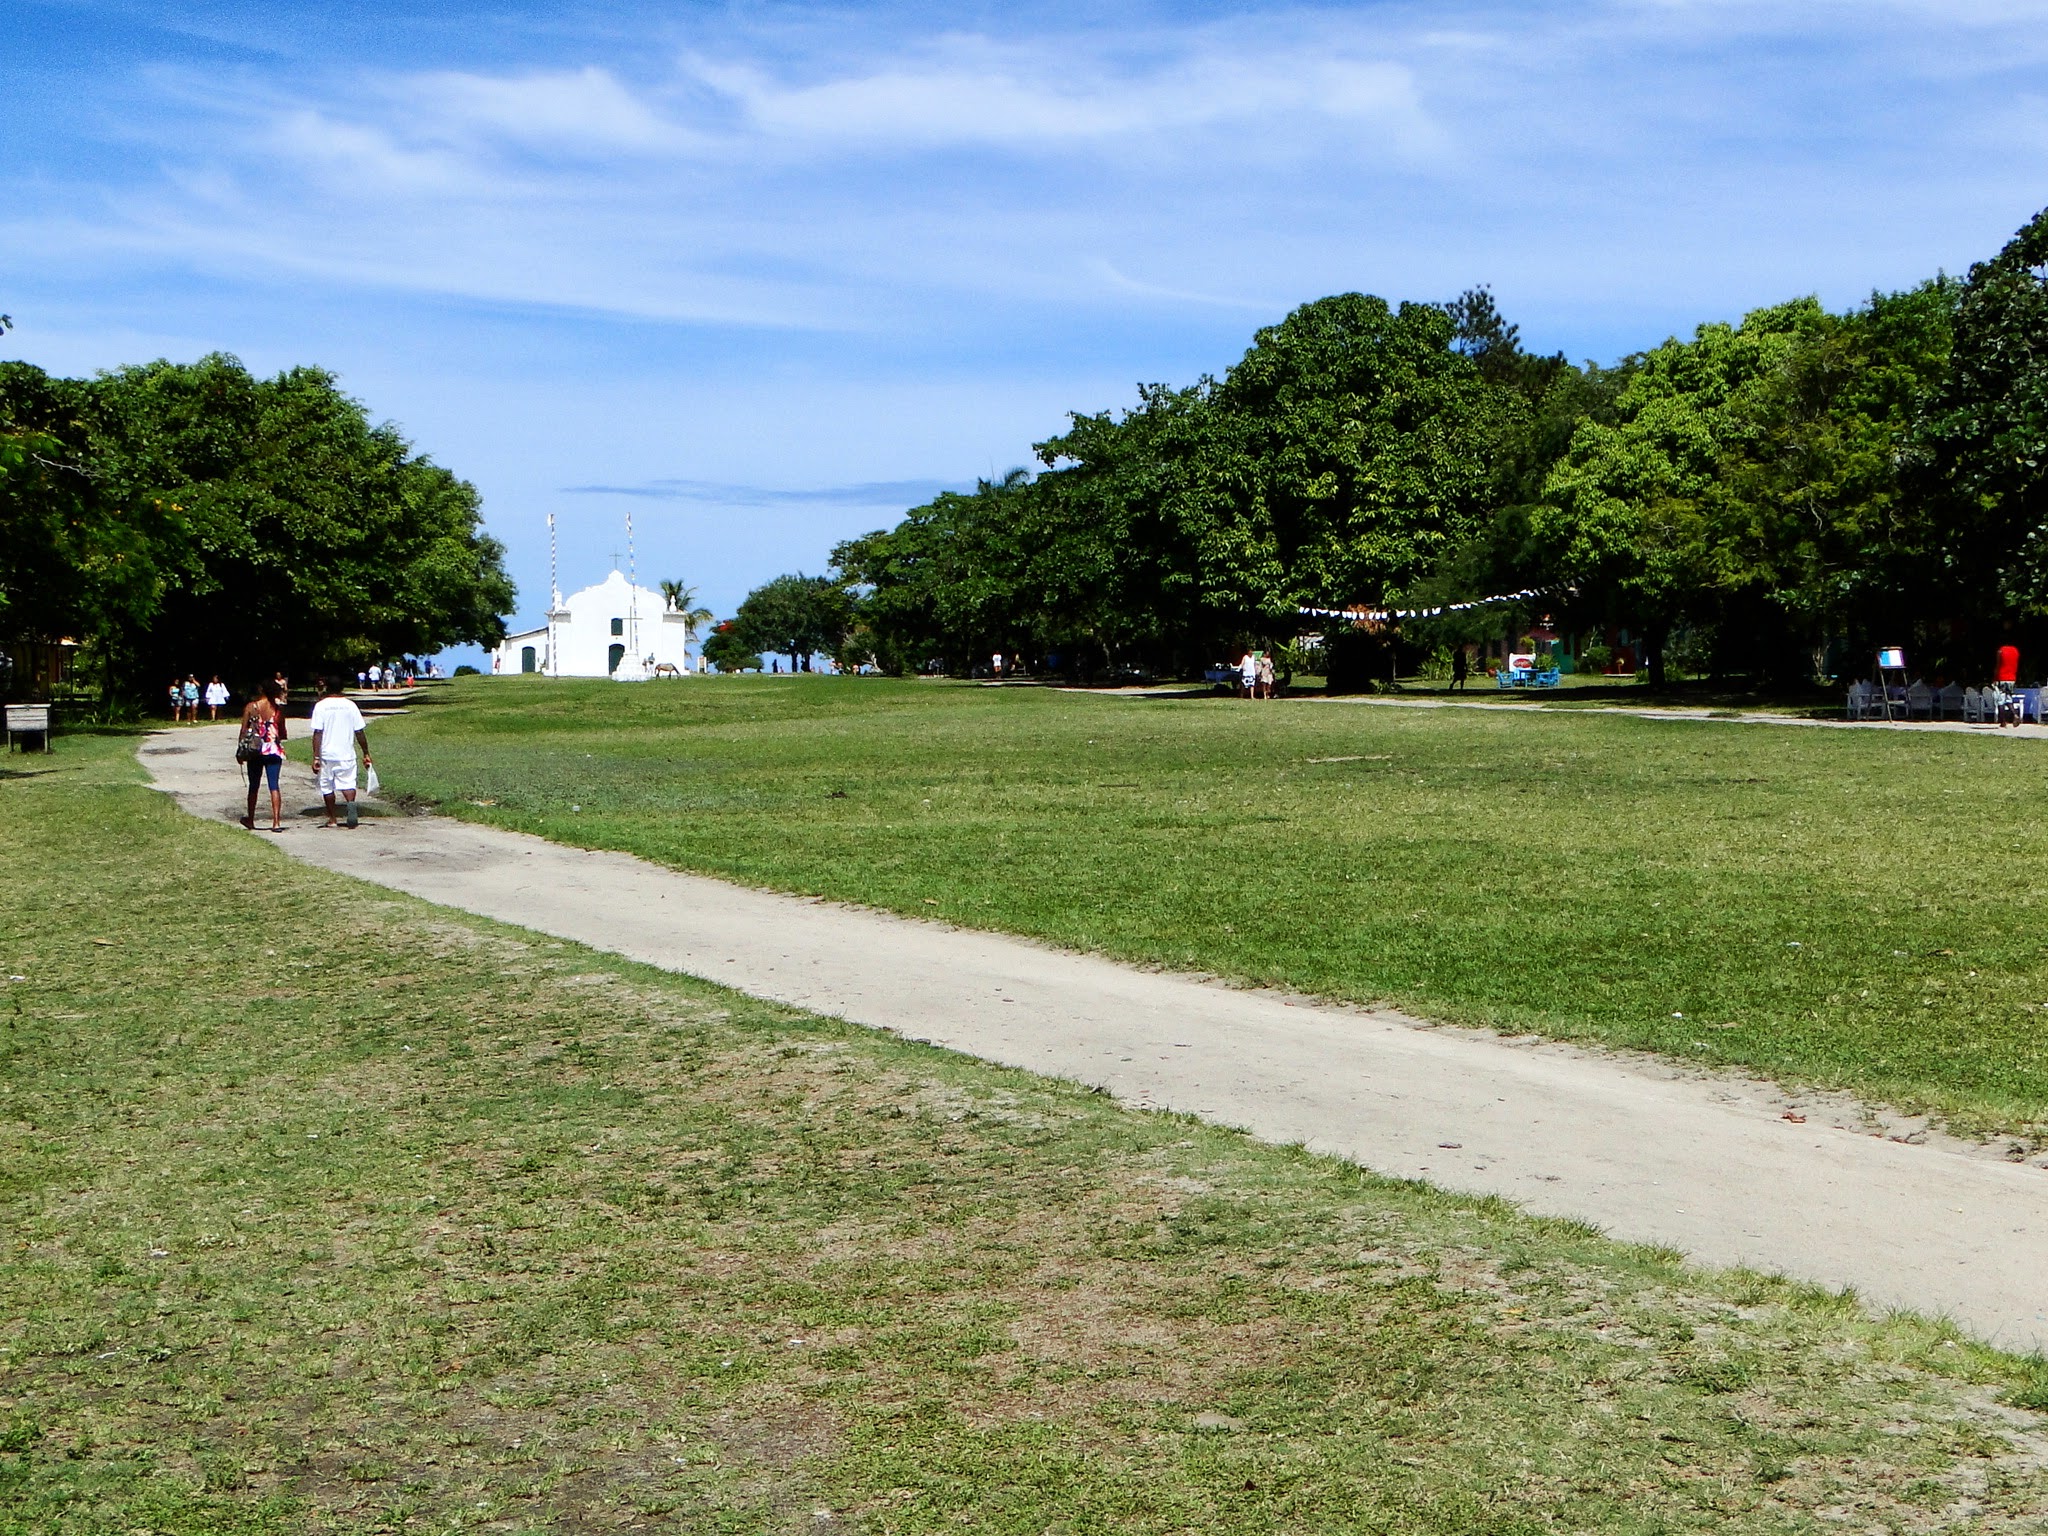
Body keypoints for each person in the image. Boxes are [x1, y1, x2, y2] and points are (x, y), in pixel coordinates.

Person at [309, 675, 372, 829]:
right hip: (346, 753)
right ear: (342, 688)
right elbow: (359, 732)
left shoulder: (321, 706)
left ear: (327, 687)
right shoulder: (350, 706)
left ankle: (332, 819)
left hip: (327, 754)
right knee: (348, 783)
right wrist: (365, 752)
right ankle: (351, 804)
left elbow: (318, 733)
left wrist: (316, 756)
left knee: (327, 786)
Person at [239, 681, 288, 832]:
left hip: (255, 750)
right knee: (274, 785)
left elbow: (243, 730)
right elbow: (283, 732)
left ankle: (251, 819)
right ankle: (276, 822)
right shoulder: (278, 709)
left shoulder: (251, 707)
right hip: (273, 750)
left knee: (254, 786)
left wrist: (240, 751)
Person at [1995, 639, 2021, 727]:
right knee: (2009, 699)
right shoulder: (2015, 651)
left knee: (2000, 701)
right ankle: (2015, 714)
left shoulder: (2001, 650)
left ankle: (2003, 721)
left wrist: (1995, 678)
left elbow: (1998, 665)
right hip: (2012, 678)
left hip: (2002, 677)